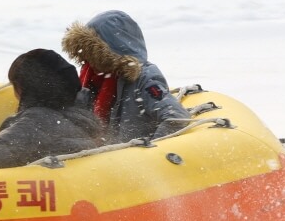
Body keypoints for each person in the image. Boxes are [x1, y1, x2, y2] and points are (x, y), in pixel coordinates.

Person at [61, 10, 191, 142]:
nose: (88, 60)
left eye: (92, 53)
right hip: (106, 155)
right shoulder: (92, 80)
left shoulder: (144, 79)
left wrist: (151, 149)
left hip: (136, 157)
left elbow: (177, 117)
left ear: (108, 52)